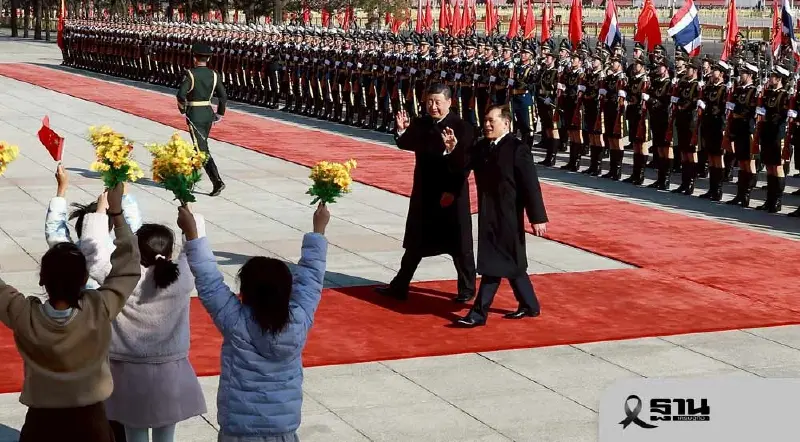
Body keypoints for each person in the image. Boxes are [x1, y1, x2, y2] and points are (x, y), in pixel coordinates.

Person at [0, 183, 142, 441]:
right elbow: (129, 269)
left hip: (41, 422)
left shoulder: (24, 314)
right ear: (85, 277)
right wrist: (117, 214)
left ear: (42, 279)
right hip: (91, 421)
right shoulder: (99, 308)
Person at [180, 202, 330, 442]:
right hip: (283, 430)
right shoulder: (299, 319)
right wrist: (318, 230)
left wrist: (193, 235)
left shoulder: (235, 321)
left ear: (246, 291)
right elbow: (311, 278)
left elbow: (209, 281)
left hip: (238, 431)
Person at [79, 214, 208, 441]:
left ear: (136, 251)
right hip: (171, 371)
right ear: (170, 251)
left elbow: (93, 255)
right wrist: (191, 214)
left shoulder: (123, 279)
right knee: (165, 436)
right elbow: (198, 254)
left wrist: (99, 213)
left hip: (127, 372)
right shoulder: (183, 278)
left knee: (134, 435)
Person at [374, 83, 477, 303]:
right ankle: (399, 285)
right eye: (430, 101)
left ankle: (467, 289)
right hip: (425, 192)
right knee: (415, 244)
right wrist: (401, 129)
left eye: (438, 102)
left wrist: (451, 184)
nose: (433, 106)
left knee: (459, 246)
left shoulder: (462, 127)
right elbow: (406, 143)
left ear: (449, 102)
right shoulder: (422, 123)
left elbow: (465, 165)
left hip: (450, 194)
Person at [452, 105, 548, 328]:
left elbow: (530, 186)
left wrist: (537, 217)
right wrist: (453, 149)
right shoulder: (481, 146)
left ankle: (479, 313)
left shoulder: (517, 149)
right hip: (488, 212)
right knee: (511, 262)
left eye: (491, 121)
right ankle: (529, 304)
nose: (486, 125)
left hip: (508, 214)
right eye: (485, 120)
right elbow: (463, 166)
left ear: (506, 123)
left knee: (493, 263)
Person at [177, 42, 228, 197]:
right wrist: (220, 113)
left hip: (195, 114)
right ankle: (190, 181)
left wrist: (183, 109)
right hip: (208, 113)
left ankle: (217, 181)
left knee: (202, 149)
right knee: (198, 146)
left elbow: (180, 94)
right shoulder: (214, 75)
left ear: (194, 58)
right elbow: (223, 96)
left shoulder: (190, 74)